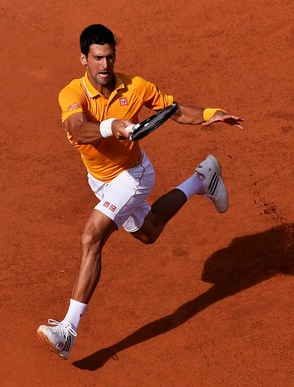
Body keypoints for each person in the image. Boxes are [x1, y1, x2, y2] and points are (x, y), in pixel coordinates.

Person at [37, 24, 244, 360]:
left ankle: (68, 330)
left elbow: (174, 111)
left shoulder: (136, 87)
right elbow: (78, 128)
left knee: (92, 236)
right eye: (98, 58)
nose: (105, 64)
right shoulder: (71, 94)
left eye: (110, 56)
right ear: (83, 59)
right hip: (100, 179)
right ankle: (202, 179)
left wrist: (211, 114)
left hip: (132, 175)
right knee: (149, 232)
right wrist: (113, 126)